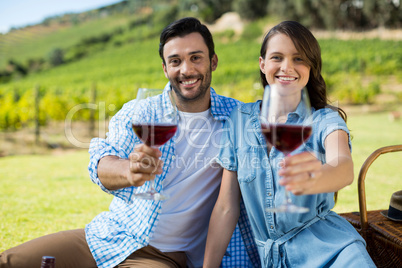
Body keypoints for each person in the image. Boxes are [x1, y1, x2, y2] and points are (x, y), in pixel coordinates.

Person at [0, 17, 259, 268]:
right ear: (165, 69)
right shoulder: (142, 112)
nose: (186, 70)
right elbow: (102, 162)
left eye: (196, 58)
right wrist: (129, 171)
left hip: (163, 258)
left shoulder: (239, 119)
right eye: (175, 61)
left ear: (213, 61)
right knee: (9, 261)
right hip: (110, 236)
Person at [203, 21, 376, 267]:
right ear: (262, 64)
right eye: (277, 57)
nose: (287, 67)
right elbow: (225, 208)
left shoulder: (324, 119)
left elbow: (343, 167)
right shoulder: (239, 120)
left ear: (311, 68)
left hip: (335, 253)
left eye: (299, 59)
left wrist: (315, 175)